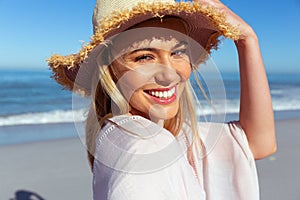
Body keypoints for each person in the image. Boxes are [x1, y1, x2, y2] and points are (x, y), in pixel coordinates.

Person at [48, 0, 277, 199]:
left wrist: (247, 40)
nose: (169, 74)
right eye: (145, 57)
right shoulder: (144, 147)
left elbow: (258, 143)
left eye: (178, 52)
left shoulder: (156, 134)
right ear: (110, 69)